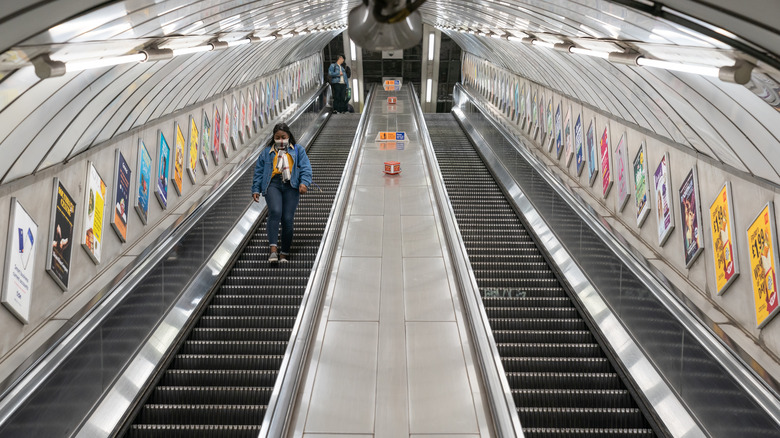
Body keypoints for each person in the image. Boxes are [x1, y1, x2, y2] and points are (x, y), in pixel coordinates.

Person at [252, 123, 312, 263]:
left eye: (283, 137)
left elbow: (306, 168)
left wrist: (304, 183)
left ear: (289, 136)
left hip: (291, 185)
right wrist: (256, 189)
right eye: (277, 137)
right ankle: (273, 251)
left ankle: (284, 253)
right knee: (275, 211)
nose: (280, 140)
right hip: (273, 184)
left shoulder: (298, 151)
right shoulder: (267, 152)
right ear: (273, 138)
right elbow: (259, 172)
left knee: (287, 219)